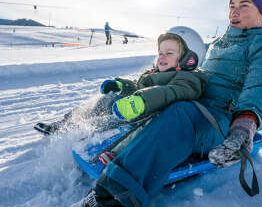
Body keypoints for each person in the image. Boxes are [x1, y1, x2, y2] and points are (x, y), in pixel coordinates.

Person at [27, 0, 262, 207]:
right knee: (142, 94)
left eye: (244, 5)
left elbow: (260, 87)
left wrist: (244, 126)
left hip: (217, 120)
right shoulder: (219, 43)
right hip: (193, 104)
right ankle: (77, 126)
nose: (234, 11)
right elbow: (196, 76)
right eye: (232, 5)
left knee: (180, 113)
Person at [34, 32, 207, 137]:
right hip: (135, 106)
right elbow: (138, 86)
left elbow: (173, 92)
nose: (162, 56)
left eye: (169, 53)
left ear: (187, 59)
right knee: (106, 101)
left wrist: (142, 101)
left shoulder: (188, 77)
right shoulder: (154, 73)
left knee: (108, 121)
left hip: (148, 114)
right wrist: (120, 85)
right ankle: (66, 124)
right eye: (160, 52)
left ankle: (79, 136)